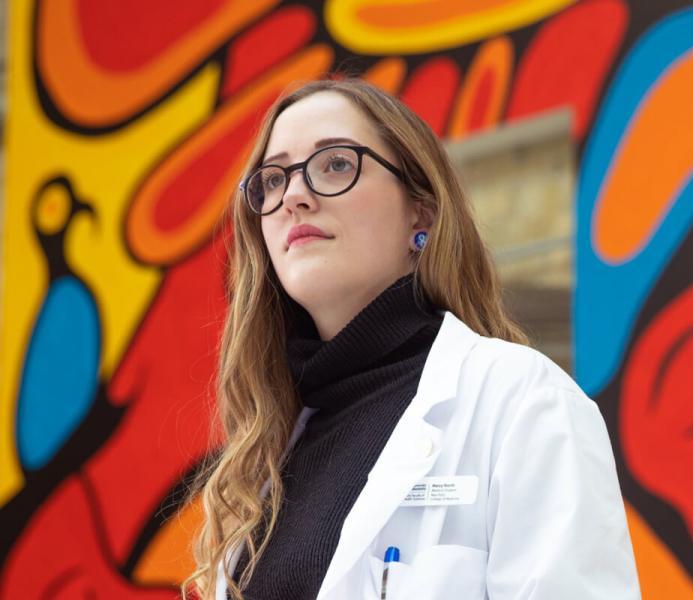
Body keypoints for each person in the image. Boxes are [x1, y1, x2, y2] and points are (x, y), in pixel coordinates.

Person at [182, 77, 640, 600]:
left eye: (335, 163)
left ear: (419, 214)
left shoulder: (523, 402)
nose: (294, 196)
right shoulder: (267, 457)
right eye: (272, 179)